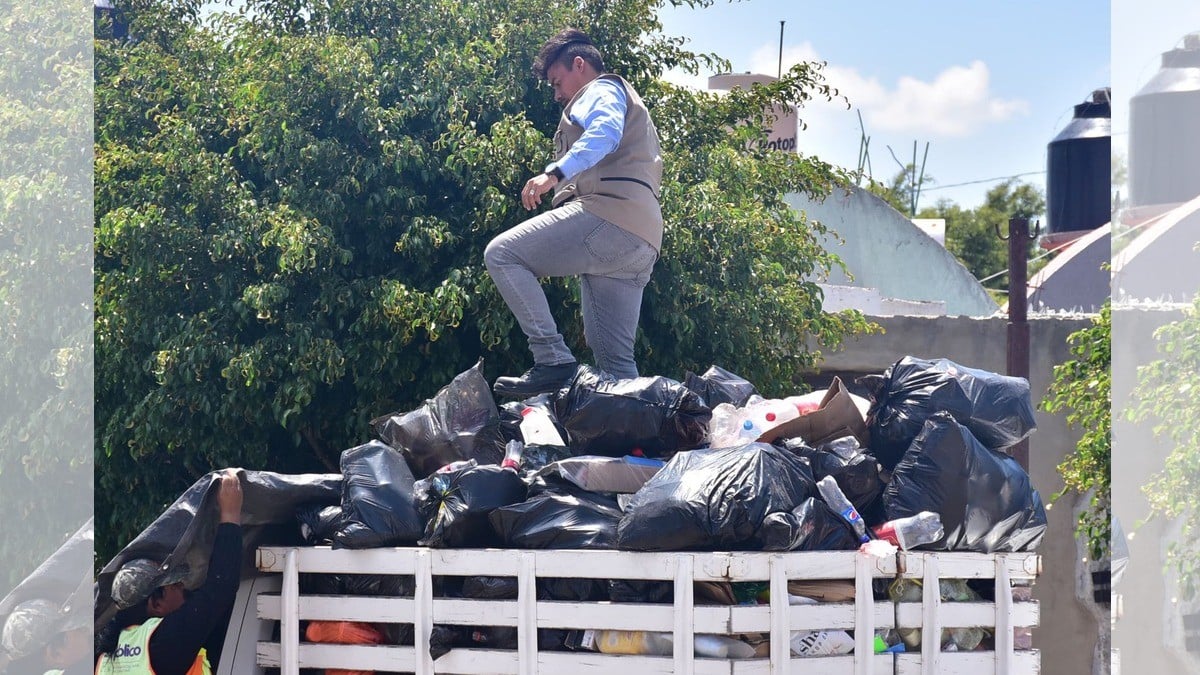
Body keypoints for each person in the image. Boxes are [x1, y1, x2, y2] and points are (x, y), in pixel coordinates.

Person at [486, 28, 664, 397]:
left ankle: (551, 358)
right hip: (641, 238)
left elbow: (604, 133)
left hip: (609, 216)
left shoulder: (599, 90)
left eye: (557, 81)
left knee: (502, 254)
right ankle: (636, 448)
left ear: (579, 65)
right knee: (616, 368)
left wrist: (553, 174)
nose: (557, 94)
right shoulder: (627, 99)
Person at [95, 469, 244, 675]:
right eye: (176, 585)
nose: (185, 588)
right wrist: (230, 515)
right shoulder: (165, 643)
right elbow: (220, 588)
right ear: (156, 603)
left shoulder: (103, 659)